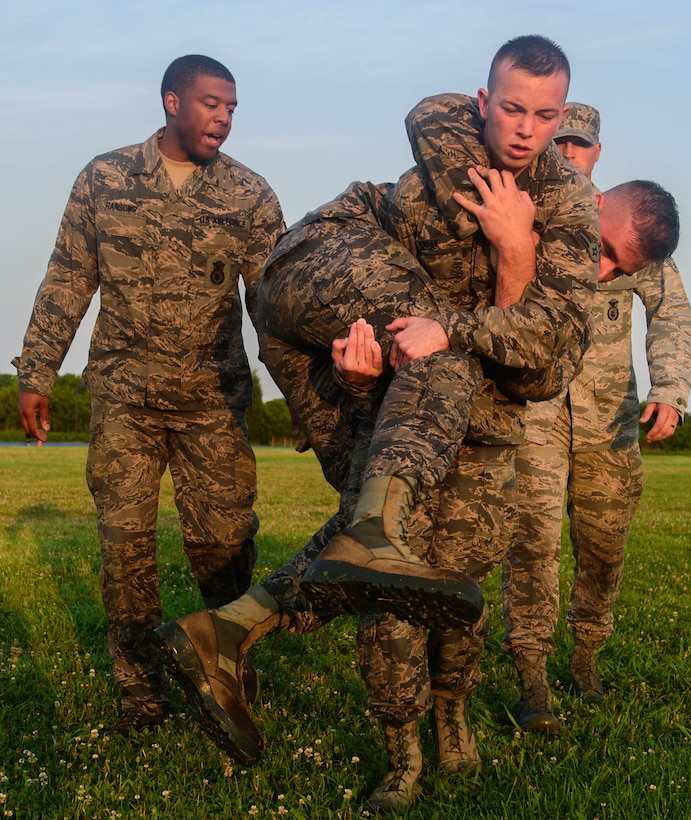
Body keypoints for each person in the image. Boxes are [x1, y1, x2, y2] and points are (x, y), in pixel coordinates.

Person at [156, 34, 603, 811]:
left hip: (416, 393)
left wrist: (515, 244)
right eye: (511, 108)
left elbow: (550, 362)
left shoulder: (564, 204)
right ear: (483, 101)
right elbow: (495, 320)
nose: (526, 130)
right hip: (317, 268)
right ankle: (401, 753)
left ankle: (231, 630)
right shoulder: (448, 132)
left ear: (563, 113)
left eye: (544, 114)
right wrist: (502, 270)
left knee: (441, 579)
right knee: (443, 345)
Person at [13, 55, 285, 737]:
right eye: (209, 103)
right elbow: (67, 279)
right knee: (124, 549)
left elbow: (278, 308)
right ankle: (141, 698)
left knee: (222, 547)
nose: (222, 117)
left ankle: (232, 675)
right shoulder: (104, 179)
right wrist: (37, 373)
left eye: (231, 107)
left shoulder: (249, 195)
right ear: (171, 102)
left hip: (211, 404)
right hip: (125, 400)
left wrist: (310, 400)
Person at [500, 102, 691, 734]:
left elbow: (671, 314)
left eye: (578, 146)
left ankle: (585, 657)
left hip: (608, 416)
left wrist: (671, 388)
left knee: (604, 546)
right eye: (559, 144)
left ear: (598, 157)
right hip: (534, 410)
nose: (567, 157)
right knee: (532, 542)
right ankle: (532, 675)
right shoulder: (523, 207)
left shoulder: (630, 226)